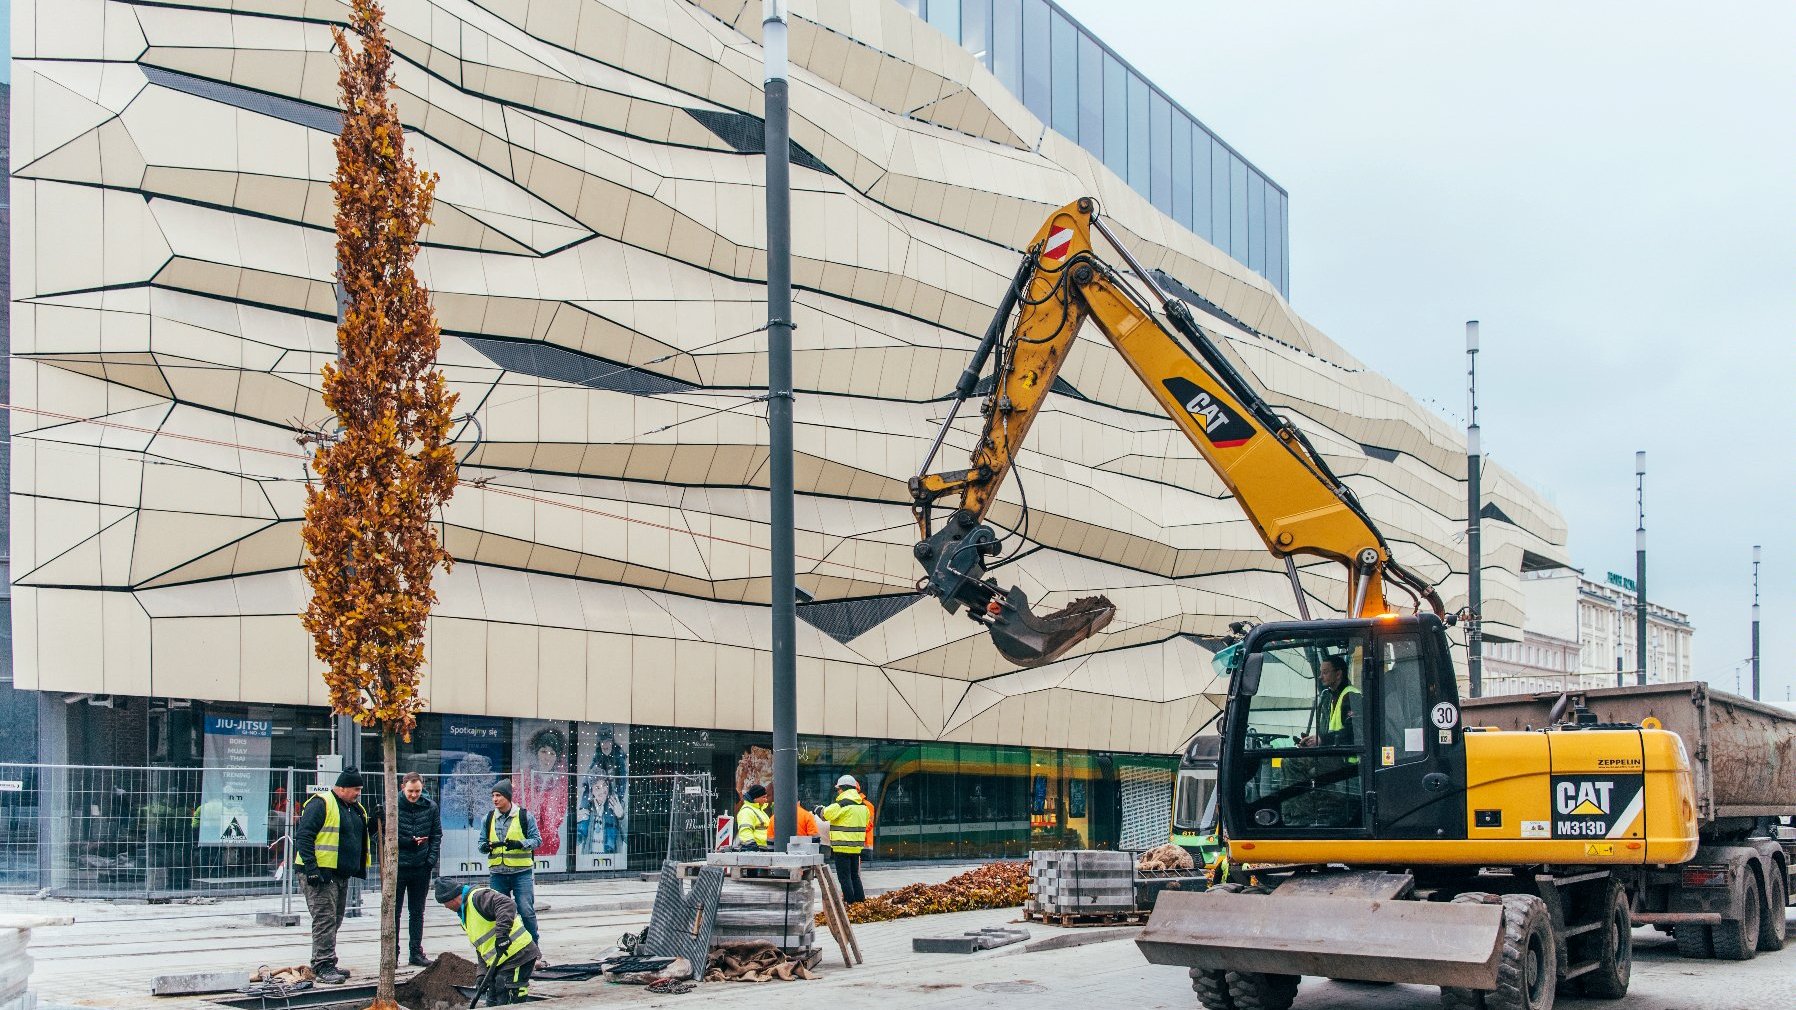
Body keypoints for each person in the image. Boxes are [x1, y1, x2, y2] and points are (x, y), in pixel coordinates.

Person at [294, 768, 372, 985]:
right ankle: (323, 965)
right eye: (355, 789)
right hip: (319, 874)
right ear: (342, 787)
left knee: (334, 919)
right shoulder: (322, 804)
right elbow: (304, 836)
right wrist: (312, 869)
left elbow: (360, 834)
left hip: (339, 874)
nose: (358, 793)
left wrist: (375, 823)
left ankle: (325, 960)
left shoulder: (354, 809)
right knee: (325, 919)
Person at [435, 878, 539, 1005]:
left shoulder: (477, 897)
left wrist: (502, 935)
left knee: (509, 995)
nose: (445, 907)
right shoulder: (465, 915)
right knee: (492, 1001)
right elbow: (482, 947)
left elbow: (507, 904)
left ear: (452, 899)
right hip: (501, 961)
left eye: (444, 903)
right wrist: (482, 974)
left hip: (518, 954)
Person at [480, 781, 543, 957]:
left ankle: (534, 949)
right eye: (493, 795)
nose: (494, 799)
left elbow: (537, 840)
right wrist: (486, 847)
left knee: (526, 910)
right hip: (497, 874)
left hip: (520, 873)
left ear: (507, 797)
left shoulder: (524, 816)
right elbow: (480, 843)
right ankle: (504, 950)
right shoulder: (488, 818)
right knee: (499, 914)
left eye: (498, 795)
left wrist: (520, 844)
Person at [394, 771, 442, 967]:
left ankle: (416, 951)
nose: (414, 795)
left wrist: (430, 860)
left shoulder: (430, 807)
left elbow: (436, 835)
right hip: (398, 867)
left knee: (417, 911)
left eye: (418, 791)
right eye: (410, 791)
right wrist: (408, 842)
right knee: (394, 912)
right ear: (402, 787)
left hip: (421, 867)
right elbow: (383, 835)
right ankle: (392, 953)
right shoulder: (393, 806)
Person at [822, 775, 874, 905]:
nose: (838, 791)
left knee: (844, 877)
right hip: (856, 847)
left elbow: (826, 814)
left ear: (843, 788)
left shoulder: (842, 804)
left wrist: (818, 809)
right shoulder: (863, 806)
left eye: (838, 789)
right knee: (854, 876)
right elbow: (867, 822)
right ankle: (860, 901)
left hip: (842, 847)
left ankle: (850, 903)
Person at [1301, 655, 1360, 749]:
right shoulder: (1334, 696)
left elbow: (1354, 731)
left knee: (1288, 762)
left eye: (1325, 673)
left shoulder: (1351, 697)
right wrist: (1313, 740)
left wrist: (1322, 740)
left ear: (1338, 674)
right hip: (1336, 753)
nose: (1320, 677)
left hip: (1348, 760)